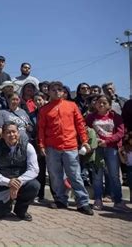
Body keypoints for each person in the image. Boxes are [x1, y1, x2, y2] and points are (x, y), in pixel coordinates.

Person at [38, 81, 94, 215]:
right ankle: (61, 200)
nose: (56, 92)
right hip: (52, 147)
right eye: (53, 90)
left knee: (75, 175)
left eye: (59, 89)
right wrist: (41, 145)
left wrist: (85, 141)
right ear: (49, 92)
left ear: (63, 92)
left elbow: (80, 124)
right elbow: (41, 129)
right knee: (55, 176)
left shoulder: (72, 105)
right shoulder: (44, 109)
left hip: (70, 146)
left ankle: (83, 202)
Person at [0, 122, 40, 221]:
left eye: (14, 132)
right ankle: (7, 204)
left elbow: (34, 169)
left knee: (34, 186)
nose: (12, 135)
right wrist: (8, 182)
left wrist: (17, 182)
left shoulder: (28, 146)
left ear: (18, 133)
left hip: (21, 184)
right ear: (2, 135)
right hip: (2, 185)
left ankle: (20, 210)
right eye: (8, 132)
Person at [86, 95, 130, 211]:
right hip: (97, 150)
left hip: (112, 149)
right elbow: (86, 131)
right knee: (97, 175)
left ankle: (118, 201)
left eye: (104, 103)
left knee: (114, 175)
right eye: (99, 102)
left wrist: (107, 141)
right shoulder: (90, 117)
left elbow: (120, 133)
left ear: (109, 105)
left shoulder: (116, 117)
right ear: (95, 104)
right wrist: (96, 140)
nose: (101, 105)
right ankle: (98, 200)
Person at [118, 134, 132, 203]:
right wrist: (120, 153)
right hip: (130, 168)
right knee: (131, 183)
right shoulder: (126, 148)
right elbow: (124, 161)